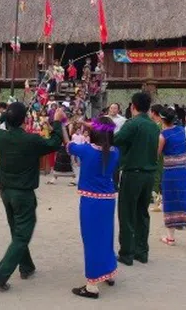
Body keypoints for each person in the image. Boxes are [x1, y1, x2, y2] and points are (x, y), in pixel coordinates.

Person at [0, 99, 64, 291]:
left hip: (5, 191)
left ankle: (26, 266)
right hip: (23, 194)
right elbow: (54, 142)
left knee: (16, 230)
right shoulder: (31, 140)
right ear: (24, 120)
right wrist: (58, 122)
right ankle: (1, 275)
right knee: (22, 235)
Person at [67, 117, 119, 299]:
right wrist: (91, 125)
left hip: (91, 202)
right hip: (108, 200)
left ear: (94, 133)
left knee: (91, 241)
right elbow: (109, 135)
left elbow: (68, 145)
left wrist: (61, 123)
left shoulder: (86, 151)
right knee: (106, 237)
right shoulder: (115, 152)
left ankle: (92, 285)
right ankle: (109, 272)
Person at [114, 92, 159, 266]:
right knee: (142, 213)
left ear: (133, 106)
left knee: (126, 213)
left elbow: (116, 140)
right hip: (149, 174)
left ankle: (127, 253)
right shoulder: (154, 126)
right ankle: (142, 251)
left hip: (133, 173)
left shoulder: (132, 124)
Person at [158, 107, 186, 249]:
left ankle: (170, 237)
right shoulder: (181, 130)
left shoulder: (163, 135)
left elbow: (158, 153)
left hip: (171, 171)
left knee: (170, 201)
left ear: (162, 119)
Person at [149, 104, 164, 212]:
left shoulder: (157, 127)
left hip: (158, 155)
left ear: (153, 113)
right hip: (164, 155)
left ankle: (158, 201)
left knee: (157, 178)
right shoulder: (163, 125)